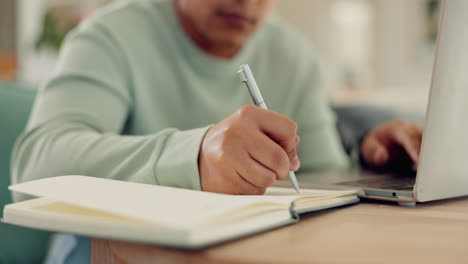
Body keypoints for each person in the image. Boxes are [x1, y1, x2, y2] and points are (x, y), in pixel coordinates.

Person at [11, 0, 423, 263]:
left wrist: (369, 156)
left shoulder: (293, 54)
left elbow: (318, 178)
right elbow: (36, 164)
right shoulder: (109, 35)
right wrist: (192, 156)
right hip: (105, 252)